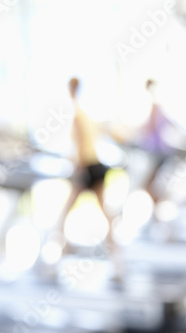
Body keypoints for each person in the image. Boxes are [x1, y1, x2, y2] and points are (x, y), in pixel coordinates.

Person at [57, 77, 121, 278]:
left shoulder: (76, 114)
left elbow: (79, 146)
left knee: (65, 213)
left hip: (86, 167)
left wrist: (75, 167)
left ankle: (59, 251)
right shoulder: (84, 112)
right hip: (95, 165)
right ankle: (117, 257)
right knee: (105, 212)